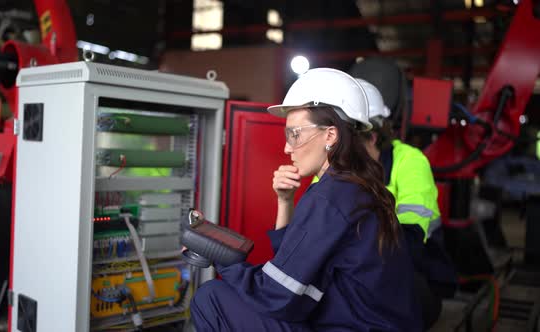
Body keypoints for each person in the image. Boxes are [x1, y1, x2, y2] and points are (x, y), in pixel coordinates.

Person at [190, 68, 421, 332]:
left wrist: (221, 258)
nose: (287, 147)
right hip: (371, 323)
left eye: (295, 134)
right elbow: (293, 270)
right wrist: (284, 202)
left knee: (212, 297)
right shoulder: (360, 186)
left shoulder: (331, 194)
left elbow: (276, 295)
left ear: (330, 136)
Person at [336, 79, 457, 329]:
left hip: (414, 275)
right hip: (361, 271)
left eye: (347, 141)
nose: (339, 151)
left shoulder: (411, 161)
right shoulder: (341, 163)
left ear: (371, 136)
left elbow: (407, 244)